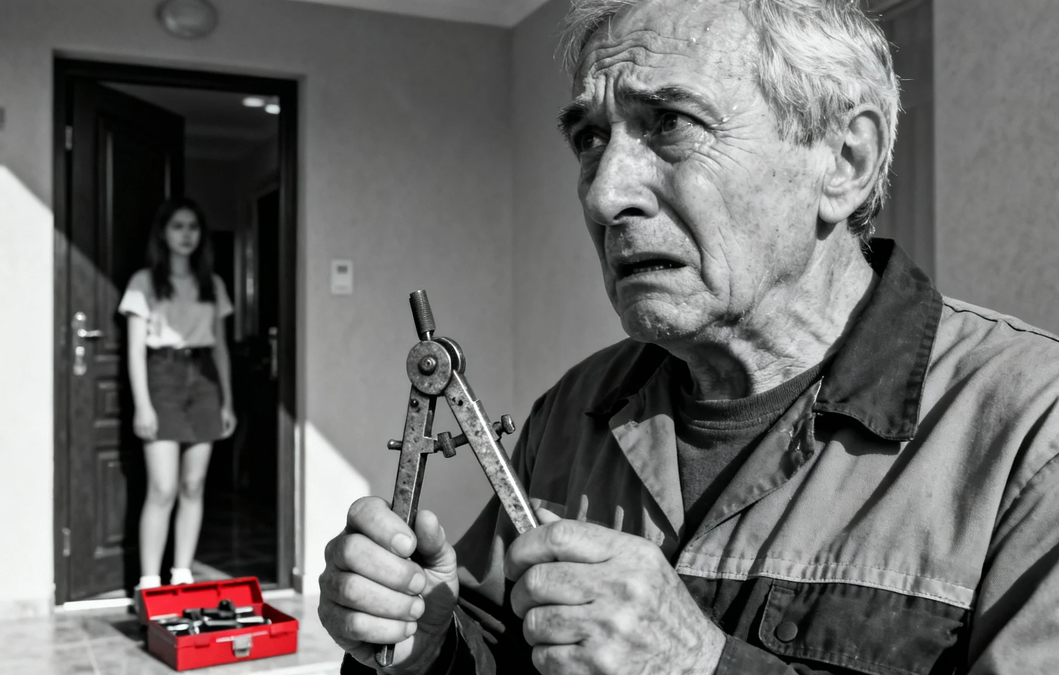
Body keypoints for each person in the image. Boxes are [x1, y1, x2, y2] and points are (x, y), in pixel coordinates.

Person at [318, 0, 1059, 673]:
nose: (604, 194)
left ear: (844, 161)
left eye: (670, 123)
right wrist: (430, 648)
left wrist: (702, 663)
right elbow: (498, 646)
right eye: (589, 138)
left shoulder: (1029, 431)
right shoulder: (574, 411)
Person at [119, 196, 236, 594]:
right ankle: (149, 584)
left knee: (193, 485)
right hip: (162, 377)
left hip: (204, 380)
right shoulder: (144, 282)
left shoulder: (212, 284)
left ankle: (182, 573)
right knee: (163, 487)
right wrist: (143, 405)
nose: (186, 235)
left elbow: (221, 348)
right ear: (164, 234)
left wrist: (227, 401)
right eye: (178, 226)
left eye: (193, 227)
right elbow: (135, 351)